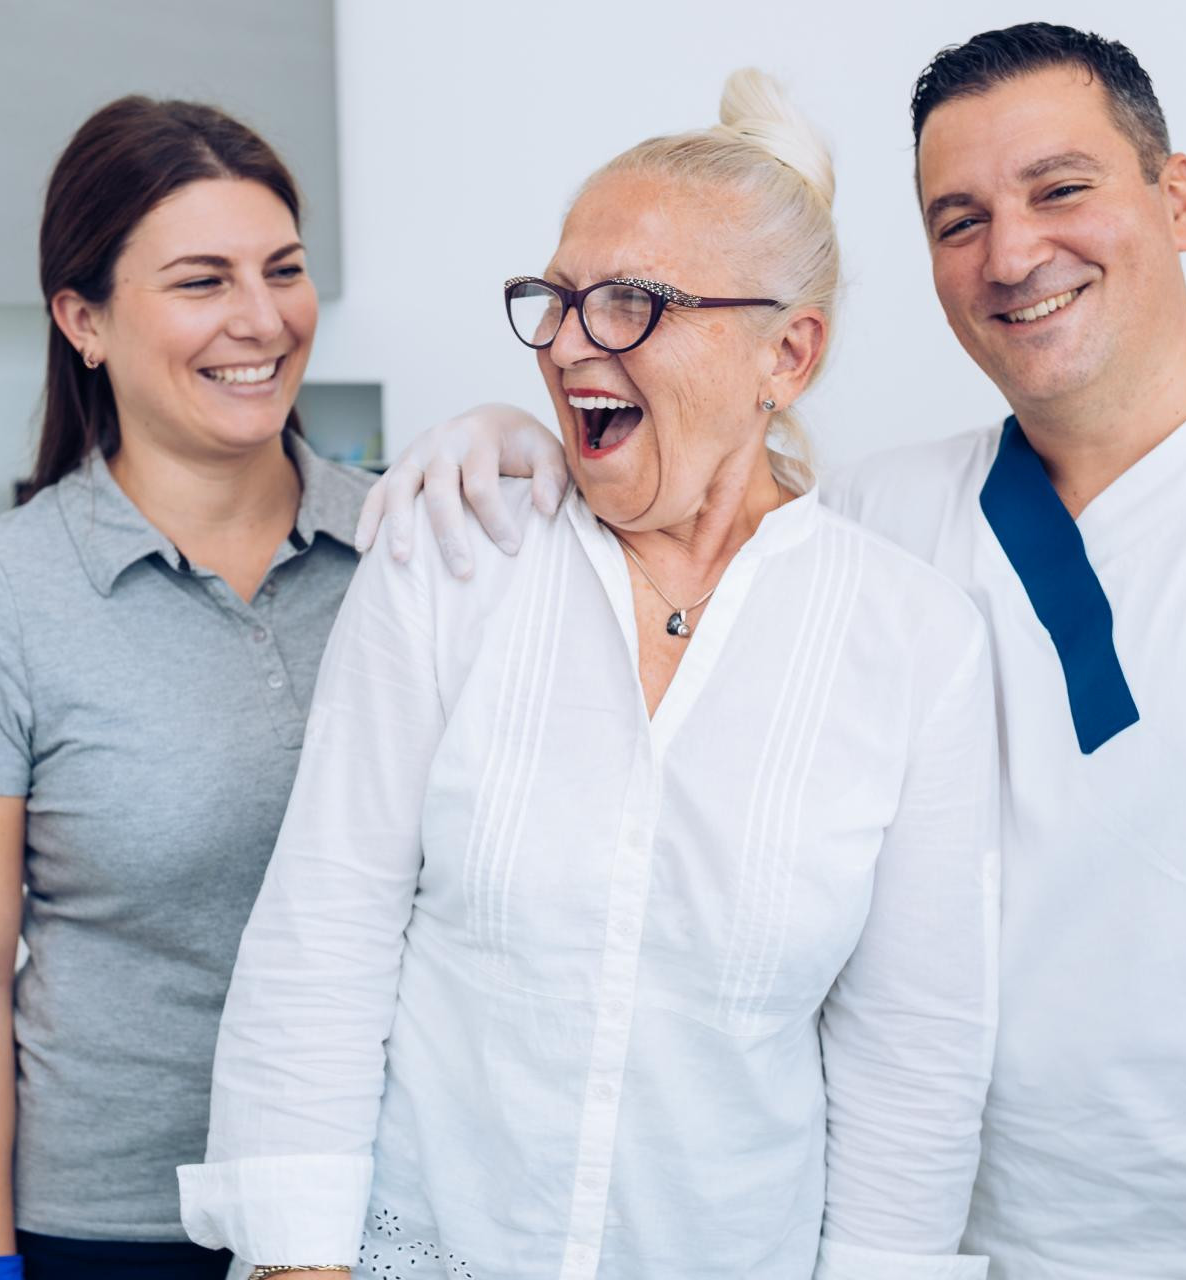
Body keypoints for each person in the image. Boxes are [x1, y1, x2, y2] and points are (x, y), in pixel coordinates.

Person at [371, 22, 1186, 1280]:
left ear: (1176, 198)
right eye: (958, 219)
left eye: (1058, 189)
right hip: (932, 1224)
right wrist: (509, 440)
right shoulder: (878, 524)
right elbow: (693, 496)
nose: (1010, 253)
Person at [180, 70, 999, 1280]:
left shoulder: (913, 640)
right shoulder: (454, 559)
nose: (567, 344)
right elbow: (324, 931)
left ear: (786, 352)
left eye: (628, 303)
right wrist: (301, 1262)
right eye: (556, 299)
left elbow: (911, 1056)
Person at [0, 97, 382, 1280]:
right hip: (119, 1226)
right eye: (201, 281)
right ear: (83, 319)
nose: (261, 317)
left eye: (283, 269)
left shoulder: (414, 549)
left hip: (384, 1205)